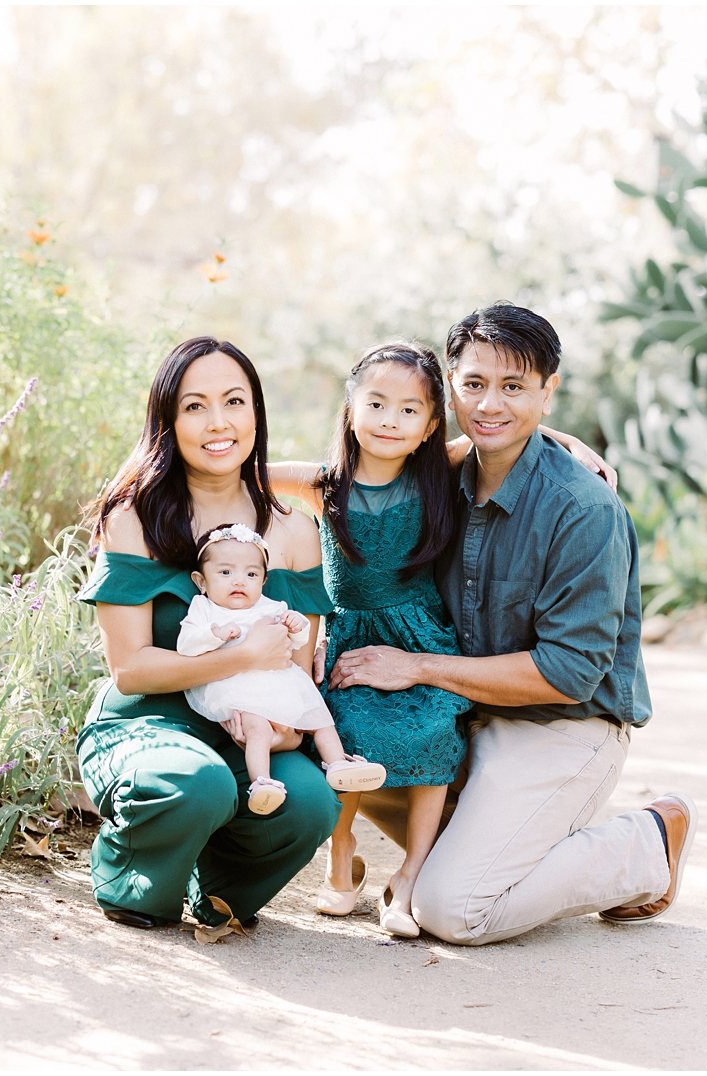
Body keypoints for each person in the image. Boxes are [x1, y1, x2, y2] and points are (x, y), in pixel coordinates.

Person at [327, 302, 697, 946]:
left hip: (558, 725)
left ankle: (647, 842)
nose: (490, 404)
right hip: (461, 715)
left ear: (549, 393)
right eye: (474, 385)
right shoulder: (434, 479)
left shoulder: (583, 508)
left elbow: (569, 673)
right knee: (336, 752)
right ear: (451, 388)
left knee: (456, 909)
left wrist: (414, 666)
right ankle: (486, 843)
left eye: (515, 388)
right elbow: (321, 481)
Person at [75, 336, 340, 932]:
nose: (218, 422)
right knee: (198, 785)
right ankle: (133, 878)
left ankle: (218, 885)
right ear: (168, 421)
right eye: (195, 406)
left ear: (257, 413)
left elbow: (292, 675)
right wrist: (240, 654)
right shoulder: (134, 518)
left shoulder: (295, 533)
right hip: (148, 719)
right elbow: (132, 670)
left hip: (250, 726)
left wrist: (284, 736)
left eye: (234, 401)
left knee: (310, 802)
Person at [269, 342, 473, 938]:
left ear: (432, 424)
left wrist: (581, 447)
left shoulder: (441, 474)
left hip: (421, 637)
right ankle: (341, 858)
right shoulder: (322, 484)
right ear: (350, 407)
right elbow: (232, 468)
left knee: (437, 727)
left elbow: (519, 434)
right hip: (351, 634)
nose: (391, 420)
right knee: (347, 730)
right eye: (377, 403)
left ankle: (409, 877)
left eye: (410, 411)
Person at [176, 521, 386, 816]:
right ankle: (262, 781)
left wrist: (296, 626)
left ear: (262, 580)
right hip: (238, 688)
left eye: (251, 574)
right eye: (225, 572)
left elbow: (295, 641)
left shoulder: (270, 606)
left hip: (281, 683)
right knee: (257, 730)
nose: (239, 581)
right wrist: (215, 634)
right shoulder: (205, 609)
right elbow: (186, 645)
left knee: (319, 718)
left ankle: (338, 763)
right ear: (201, 580)